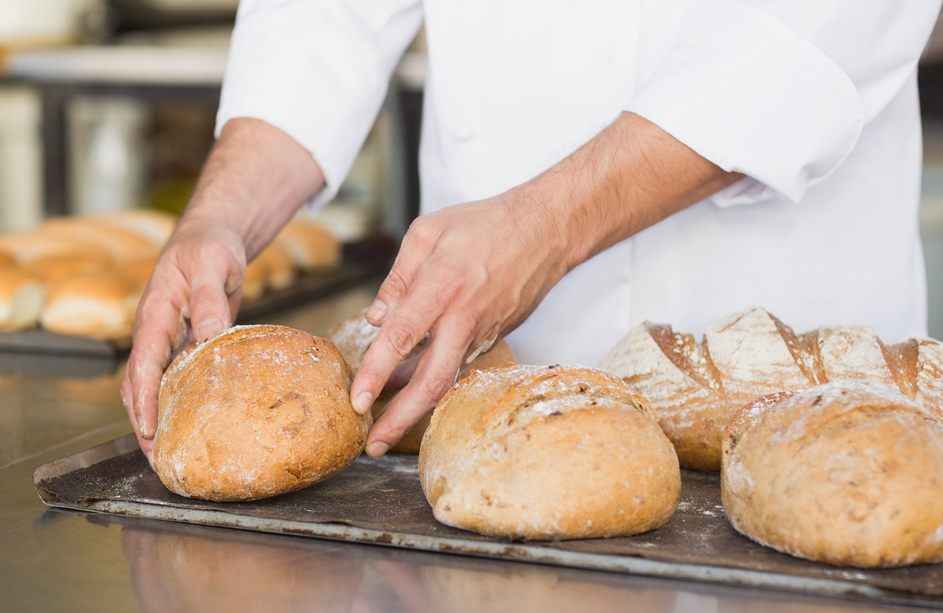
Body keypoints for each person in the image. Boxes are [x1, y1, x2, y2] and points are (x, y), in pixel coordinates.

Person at [122, 0, 943, 461]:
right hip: (482, 398)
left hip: (804, 389)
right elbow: (325, 19)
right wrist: (220, 215)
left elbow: (812, 32)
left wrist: (542, 226)